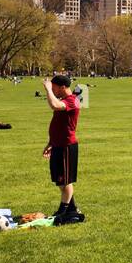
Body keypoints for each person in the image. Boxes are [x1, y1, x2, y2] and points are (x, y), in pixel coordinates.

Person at [42, 75, 85, 225]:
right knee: (60, 180)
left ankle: (62, 211)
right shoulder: (64, 101)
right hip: (58, 144)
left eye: (54, 88)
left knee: (65, 181)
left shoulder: (72, 101)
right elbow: (59, 124)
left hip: (67, 146)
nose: (53, 91)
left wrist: (48, 89)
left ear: (62, 87)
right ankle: (72, 210)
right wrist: (51, 142)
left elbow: (54, 105)